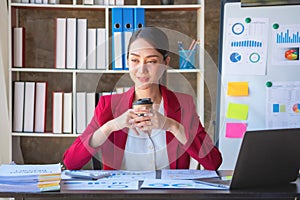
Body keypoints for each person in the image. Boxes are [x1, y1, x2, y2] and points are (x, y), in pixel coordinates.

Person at [63, 27, 222, 170]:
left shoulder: (184, 104)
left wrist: (172, 126)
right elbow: (71, 162)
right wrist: (110, 127)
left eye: (151, 61)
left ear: (165, 63)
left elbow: (213, 162)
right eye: (134, 60)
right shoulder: (108, 105)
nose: (142, 69)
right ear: (127, 61)